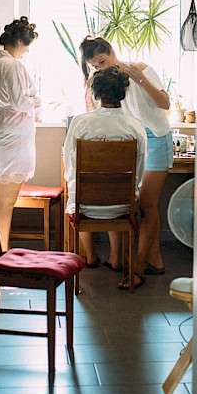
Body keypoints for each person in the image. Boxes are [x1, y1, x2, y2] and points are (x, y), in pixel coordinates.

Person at [79, 36, 172, 287]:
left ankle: (138, 268)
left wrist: (140, 80)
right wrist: (88, 90)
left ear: (112, 52)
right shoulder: (106, 82)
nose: (101, 68)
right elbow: (97, 115)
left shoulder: (141, 69)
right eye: (95, 66)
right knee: (144, 206)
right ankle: (155, 261)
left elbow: (165, 103)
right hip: (133, 139)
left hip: (156, 137)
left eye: (102, 60)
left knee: (146, 204)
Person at [64, 67, 148, 288]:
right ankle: (115, 258)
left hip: (86, 206)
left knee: (79, 191)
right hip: (122, 206)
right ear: (123, 93)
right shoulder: (135, 126)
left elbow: (69, 165)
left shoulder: (81, 123)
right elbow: (139, 172)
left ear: (96, 94)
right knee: (117, 187)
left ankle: (89, 256)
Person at [0, 16, 40, 250]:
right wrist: (36, 100)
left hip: (2, 130)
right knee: (6, 202)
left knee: (4, 200)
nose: (26, 52)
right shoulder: (13, 65)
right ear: (19, 41)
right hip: (13, 136)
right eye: (26, 46)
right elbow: (20, 101)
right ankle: (0, 250)